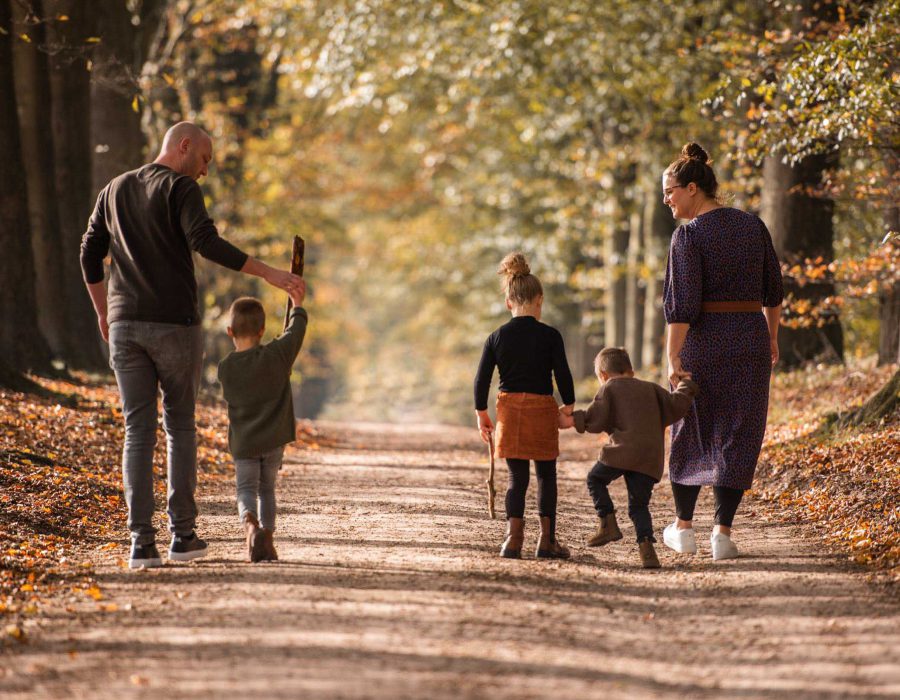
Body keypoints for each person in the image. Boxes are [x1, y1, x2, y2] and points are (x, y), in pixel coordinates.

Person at [80, 121, 304, 569]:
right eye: (204, 159)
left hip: (125, 327)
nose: (204, 171)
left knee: (137, 432)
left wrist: (105, 312)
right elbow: (206, 243)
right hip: (174, 327)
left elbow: (89, 254)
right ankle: (182, 537)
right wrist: (269, 274)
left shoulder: (114, 189)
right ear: (184, 147)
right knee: (179, 426)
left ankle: (140, 544)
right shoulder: (180, 189)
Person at [661, 142, 784, 561]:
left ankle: (683, 527)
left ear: (693, 188)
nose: (667, 200)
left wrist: (671, 357)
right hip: (749, 337)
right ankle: (723, 534)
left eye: (670, 191)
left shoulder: (688, 236)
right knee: (740, 428)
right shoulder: (753, 226)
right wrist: (770, 337)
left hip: (704, 340)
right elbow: (774, 291)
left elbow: (682, 305)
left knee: (692, 425)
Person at [474, 253, 576, 559]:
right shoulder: (550, 336)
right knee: (546, 476)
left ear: (508, 302)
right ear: (539, 300)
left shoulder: (496, 337)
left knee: (517, 478)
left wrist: (482, 414)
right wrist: (568, 407)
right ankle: (546, 541)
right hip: (542, 410)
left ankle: (513, 540)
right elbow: (563, 376)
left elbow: (482, 380)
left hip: (509, 412)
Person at [558, 347, 698, 569]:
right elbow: (676, 406)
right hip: (649, 458)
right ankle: (647, 551)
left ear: (603, 376)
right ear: (631, 371)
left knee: (595, 479)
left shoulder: (610, 388)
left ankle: (608, 523)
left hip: (622, 452)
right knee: (639, 506)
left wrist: (573, 420)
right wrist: (686, 385)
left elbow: (596, 418)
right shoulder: (652, 389)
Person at [217, 292, 307, 563]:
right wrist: (298, 306)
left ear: (230, 331)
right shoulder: (277, 356)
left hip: (244, 443)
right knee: (267, 490)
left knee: (245, 489)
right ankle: (266, 538)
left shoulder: (225, 368)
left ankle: (250, 526)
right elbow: (295, 333)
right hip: (273, 441)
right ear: (262, 329)